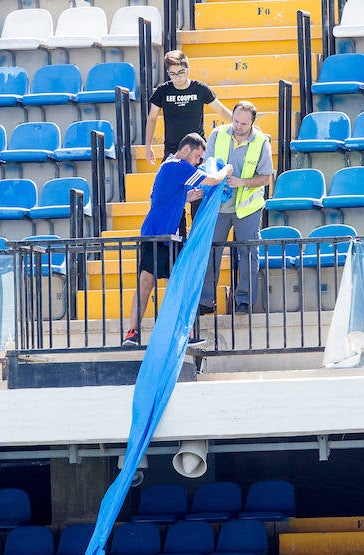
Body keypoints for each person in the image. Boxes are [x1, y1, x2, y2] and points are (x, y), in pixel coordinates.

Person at [122, 133, 233, 348]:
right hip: (156, 234)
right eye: (197, 157)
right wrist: (226, 170)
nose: (198, 162)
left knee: (180, 286)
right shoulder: (175, 165)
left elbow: (180, 196)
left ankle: (185, 335)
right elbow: (212, 179)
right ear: (186, 150)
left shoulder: (173, 168)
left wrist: (197, 195)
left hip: (172, 238)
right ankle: (132, 333)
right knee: (146, 282)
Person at [198, 101, 274, 316]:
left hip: (247, 208)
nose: (238, 126)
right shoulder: (217, 134)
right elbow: (206, 167)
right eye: (236, 121)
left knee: (248, 253)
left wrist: (242, 182)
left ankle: (244, 302)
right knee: (211, 251)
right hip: (218, 205)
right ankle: (205, 301)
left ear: (252, 123)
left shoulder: (261, 142)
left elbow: (266, 178)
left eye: (243, 123)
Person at [144, 50, 233, 166]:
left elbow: (221, 110)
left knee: (200, 183)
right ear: (168, 73)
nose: (178, 77)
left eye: (181, 72)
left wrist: (240, 123)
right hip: (173, 151)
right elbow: (152, 118)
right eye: (173, 74)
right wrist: (148, 146)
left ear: (188, 69)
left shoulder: (200, 89)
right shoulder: (163, 91)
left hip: (197, 150)